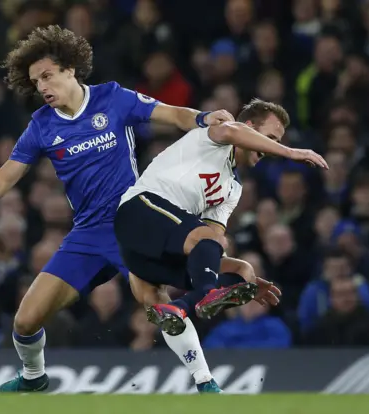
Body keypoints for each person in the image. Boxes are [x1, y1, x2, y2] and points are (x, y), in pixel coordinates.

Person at [0, 25, 235, 393]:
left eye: (47, 75)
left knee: (155, 303)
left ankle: (205, 382)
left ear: (70, 68)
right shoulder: (41, 126)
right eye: (35, 81)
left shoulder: (113, 99)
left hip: (131, 223)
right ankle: (34, 378)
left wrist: (203, 118)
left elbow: (173, 115)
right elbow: (2, 182)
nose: (41, 86)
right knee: (24, 322)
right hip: (87, 235)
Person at [115, 99, 328, 339]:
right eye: (270, 139)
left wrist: (238, 283)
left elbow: (212, 237)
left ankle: (179, 308)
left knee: (244, 270)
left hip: (151, 255)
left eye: (276, 143)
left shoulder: (234, 188)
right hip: (138, 214)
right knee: (210, 243)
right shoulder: (211, 137)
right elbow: (230, 130)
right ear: (248, 126)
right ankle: (208, 291)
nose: (270, 149)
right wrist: (290, 152)